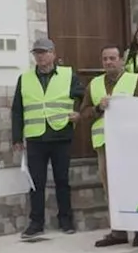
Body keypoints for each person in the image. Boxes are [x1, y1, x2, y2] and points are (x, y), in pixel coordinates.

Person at [13, 38, 85, 239]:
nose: (40, 56)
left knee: (62, 180)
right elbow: (17, 110)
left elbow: (84, 96)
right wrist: (17, 137)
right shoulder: (25, 79)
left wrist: (78, 113)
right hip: (36, 137)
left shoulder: (68, 75)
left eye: (43, 52)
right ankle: (36, 223)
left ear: (53, 53)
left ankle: (66, 220)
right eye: (36, 53)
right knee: (36, 183)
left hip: (60, 134)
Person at [84, 45, 138, 248]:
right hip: (104, 144)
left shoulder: (134, 80)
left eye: (112, 58)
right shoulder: (94, 84)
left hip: (129, 142)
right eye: (105, 59)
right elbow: (84, 113)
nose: (109, 62)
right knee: (110, 187)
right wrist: (98, 108)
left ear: (121, 60)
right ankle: (118, 230)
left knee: (134, 184)